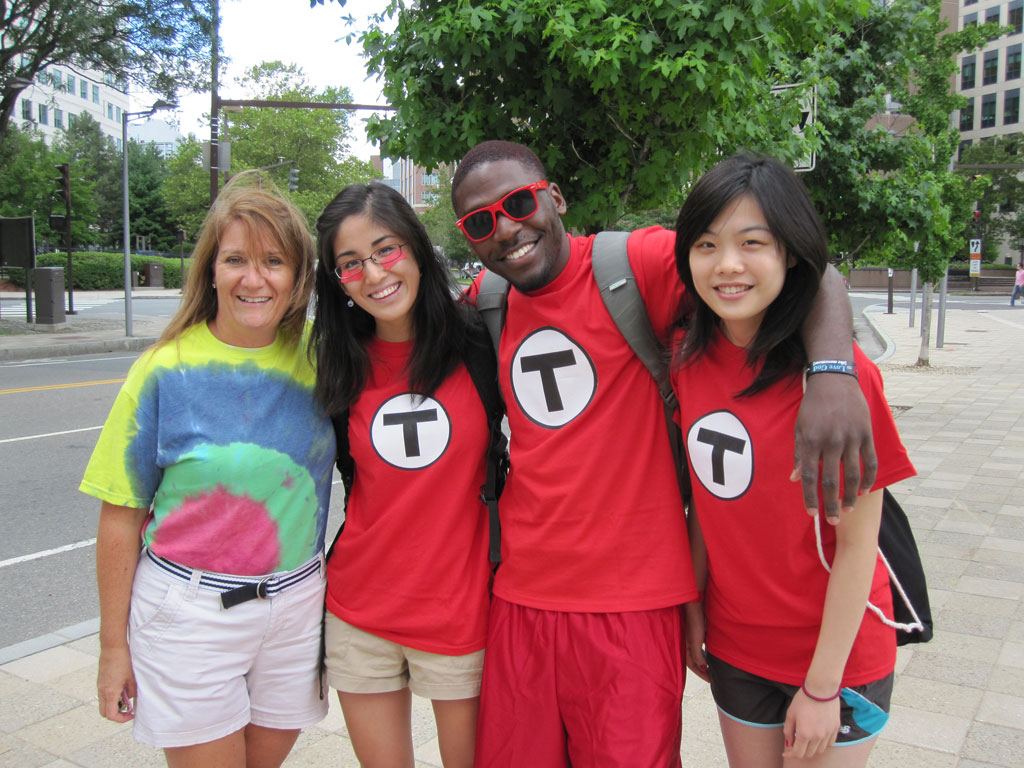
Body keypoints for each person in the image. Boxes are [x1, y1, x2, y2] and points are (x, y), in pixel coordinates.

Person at [450, 140, 878, 767]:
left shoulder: (632, 264)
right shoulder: (487, 302)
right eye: (480, 222)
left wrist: (834, 372)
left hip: (634, 602)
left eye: (519, 203)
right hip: (519, 599)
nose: (506, 228)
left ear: (555, 197)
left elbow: (805, 275)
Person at [81, 173, 335, 767]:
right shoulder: (163, 370)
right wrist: (112, 649)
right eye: (236, 259)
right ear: (211, 271)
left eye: (274, 261)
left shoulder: (323, 359)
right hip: (190, 616)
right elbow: (120, 516)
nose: (254, 278)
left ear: (298, 276)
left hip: (298, 608)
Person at [672, 154, 916, 767]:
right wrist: (695, 606)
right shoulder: (688, 362)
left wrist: (823, 686)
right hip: (737, 649)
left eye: (752, 243)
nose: (728, 265)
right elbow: (710, 500)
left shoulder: (841, 386)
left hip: (837, 659)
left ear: (791, 253)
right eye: (706, 245)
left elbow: (858, 546)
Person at [309, 182, 498, 768]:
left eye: (385, 250)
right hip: (359, 612)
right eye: (350, 263)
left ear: (415, 249)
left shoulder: (479, 342)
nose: (373, 273)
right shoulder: (338, 363)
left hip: (463, 611)